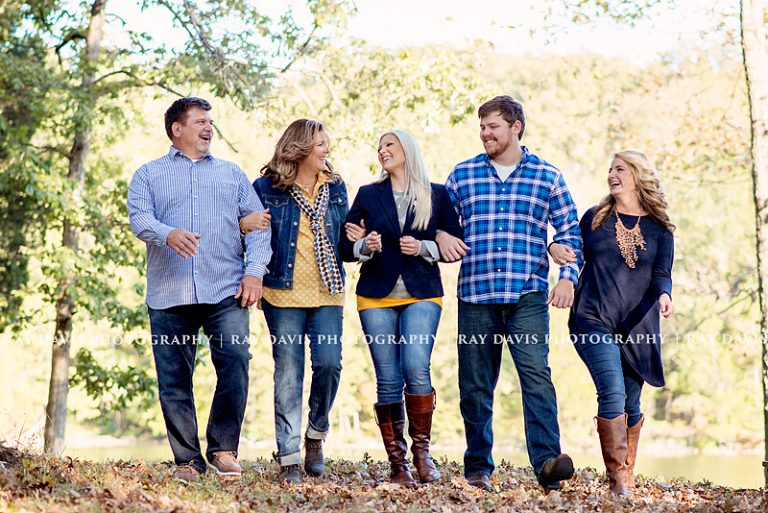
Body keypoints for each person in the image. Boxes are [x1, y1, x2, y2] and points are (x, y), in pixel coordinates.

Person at [435, 95, 582, 492]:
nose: (485, 134)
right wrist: (444, 235)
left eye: (493, 126)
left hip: (528, 295)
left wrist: (566, 276)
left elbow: (569, 232)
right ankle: (478, 466)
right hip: (476, 294)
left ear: (515, 126)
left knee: (536, 375)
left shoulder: (547, 176)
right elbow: (440, 223)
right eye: (482, 127)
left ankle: (548, 462)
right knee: (475, 384)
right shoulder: (462, 175)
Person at [127, 97, 272, 483]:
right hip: (169, 292)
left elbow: (259, 226)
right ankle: (187, 460)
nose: (209, 128)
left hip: (226, 289)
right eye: (200, 122)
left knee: (236, 365)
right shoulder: (148, 175)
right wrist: (167, 232)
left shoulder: (232, 174)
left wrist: (254, 272)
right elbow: (139, 218)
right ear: (177, 129)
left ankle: (223, 449)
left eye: (210, 122)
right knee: (174, 379)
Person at [340, 130, 463, 486]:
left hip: (423, 292)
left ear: (407, 151)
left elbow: (456, 245)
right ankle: (398, 466)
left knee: (415, 366)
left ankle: (423, 455)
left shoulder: (436, 195)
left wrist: (424, 247)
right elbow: (346, 248)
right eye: (379, 147)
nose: (382, 151)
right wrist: (366, 244)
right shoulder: (368, 194)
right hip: (375, 294)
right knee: (388, 377)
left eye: (389, 145)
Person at [549, 151, 675, 496]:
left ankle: (627, 473)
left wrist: (665, 295)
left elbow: (662, 274)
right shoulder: (595, 218)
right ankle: (618, 481)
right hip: (592, 319)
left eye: (620, 169)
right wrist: (555, 251)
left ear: (638, 175)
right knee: (613, 392)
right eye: (610, 169)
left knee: (632, 406)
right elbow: (569, 250)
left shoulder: (661, 230)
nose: (612, 174)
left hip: (639, 327)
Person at [240, 119, 347, 484]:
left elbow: (344, 245)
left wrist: (363, 243)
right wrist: (244, 233)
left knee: (330, 365)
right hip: (281, 292)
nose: (327, 150)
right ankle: (288, 457)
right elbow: (250, 234)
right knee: (288, 373)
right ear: (301, 148)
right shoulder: (266, 188)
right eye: (321, 144)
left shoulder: (335, 188)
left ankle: (315, 436)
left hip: (328, 291)